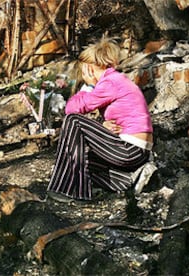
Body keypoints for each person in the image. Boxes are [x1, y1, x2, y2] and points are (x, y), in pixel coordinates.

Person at [47, 37, 153, 203]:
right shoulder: (117, 80)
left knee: (73, 121)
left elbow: (72, 109)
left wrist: (88, 86)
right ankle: (129, 179)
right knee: (81, 160)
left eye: (83, 72)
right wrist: (103, 125)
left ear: (89, 69)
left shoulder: (110, 82)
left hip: (129, 150)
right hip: (136, 152)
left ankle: (71, 190)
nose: (84, 76)